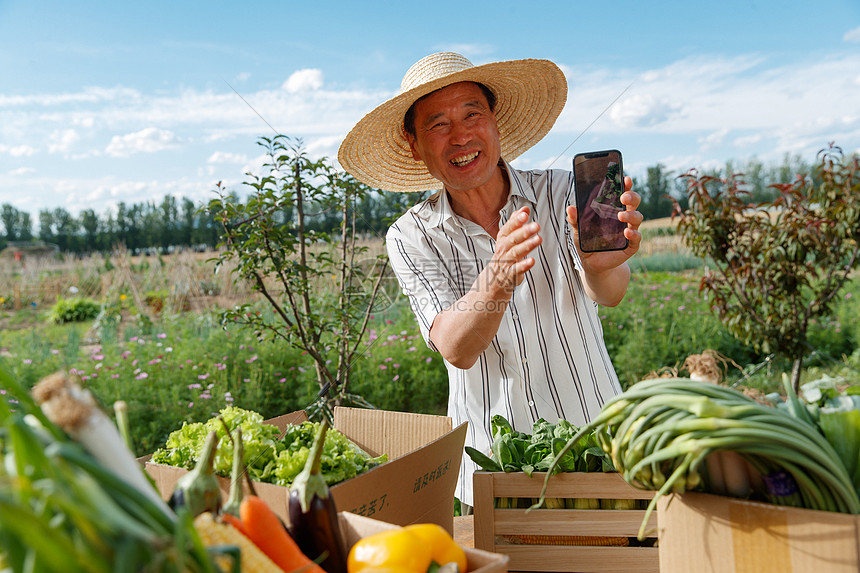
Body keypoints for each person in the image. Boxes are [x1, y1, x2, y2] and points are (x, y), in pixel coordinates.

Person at [338, 52, 642, 508]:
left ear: (495, 121)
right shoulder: (411, 235)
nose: (460, 136)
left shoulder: (561, 191)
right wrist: (497, 277)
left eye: (471, 114)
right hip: (496, 473)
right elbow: (456, 348)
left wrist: (602, 265)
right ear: (413, 144)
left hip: (598, 446)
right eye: (438, 124)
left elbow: (611, 294)